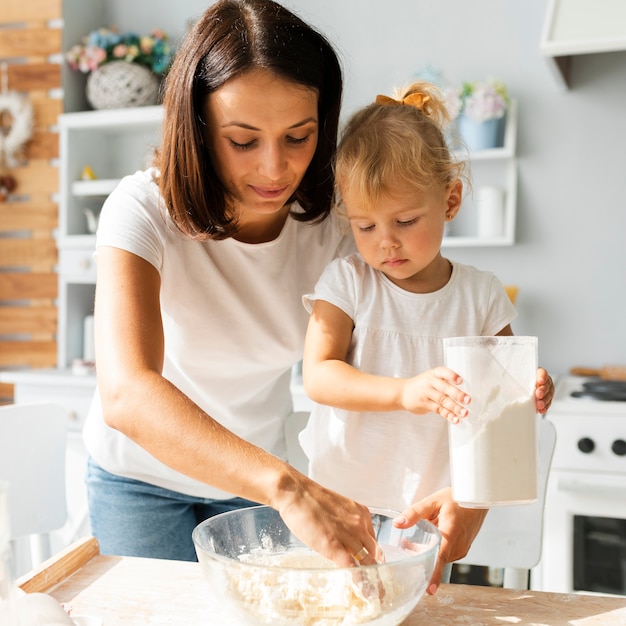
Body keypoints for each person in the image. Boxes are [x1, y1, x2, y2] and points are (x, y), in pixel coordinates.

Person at [83, 0, 382, 569]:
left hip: (253, 482)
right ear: (195, 129)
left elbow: (385, 359)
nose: (274, 169)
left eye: (299, 137)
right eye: (243, 141)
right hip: (140, 479)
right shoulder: (141, 210)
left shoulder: (338, 227)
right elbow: (126, 392)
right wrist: (288, 486)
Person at [300, 81, 555, 593]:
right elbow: (319, 375)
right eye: (365, 226)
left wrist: (531, 388)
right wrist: (403, 392)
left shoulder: (480, 294)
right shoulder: (347, 281)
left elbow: (504, 388)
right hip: (341, 503)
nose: (385, 242)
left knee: (416, 611)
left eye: (406, 220)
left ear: (451, 199)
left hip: (429, 510)